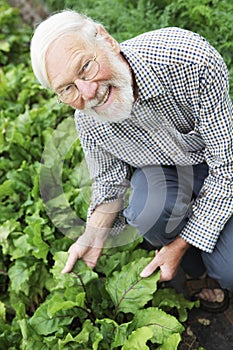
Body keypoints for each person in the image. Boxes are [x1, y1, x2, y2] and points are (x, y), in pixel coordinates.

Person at [30, 10, 233, 312]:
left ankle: (193, 257)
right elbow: (109, 183)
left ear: (107, 41)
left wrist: (181, 242)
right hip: (164, 173)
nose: (88, 93)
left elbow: (227, 169)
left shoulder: (190, 61)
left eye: (85, 67)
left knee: (229, 270)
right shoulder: (87, 120)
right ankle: (196, 272)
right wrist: (93, 234)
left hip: (218, 162)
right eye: (67, 88)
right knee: (146, 210)